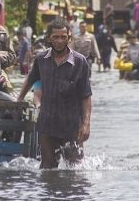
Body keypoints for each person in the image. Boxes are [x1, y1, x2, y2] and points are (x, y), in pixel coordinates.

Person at [17, 19, 92, 169]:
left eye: (63, 37)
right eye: (55, 37)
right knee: (47, 169)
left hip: (71, 125)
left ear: (69, 38)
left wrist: (86, 124)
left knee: (75, 170)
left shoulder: (80, 62)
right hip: (47, 125)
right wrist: (18, 100)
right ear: (49, 38)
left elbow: (86, 95)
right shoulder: (41, 59)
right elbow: (30, 80)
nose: (59, 41)